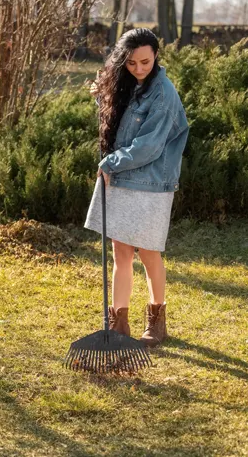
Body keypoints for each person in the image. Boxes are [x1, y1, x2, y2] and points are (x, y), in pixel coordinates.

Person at [86, 28, 189, 348]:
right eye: (131, 63)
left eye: (145, 62)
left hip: (150, 183)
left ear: (156, 55)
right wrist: (103, 95)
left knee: (149, 253)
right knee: (121, 254)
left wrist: (111, 163)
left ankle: (157, 321)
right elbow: (119, 128)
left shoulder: (163, 92)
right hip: (121, 178)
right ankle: (118, 322)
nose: (139, 69)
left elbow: (149, 145)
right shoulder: (128, 83)